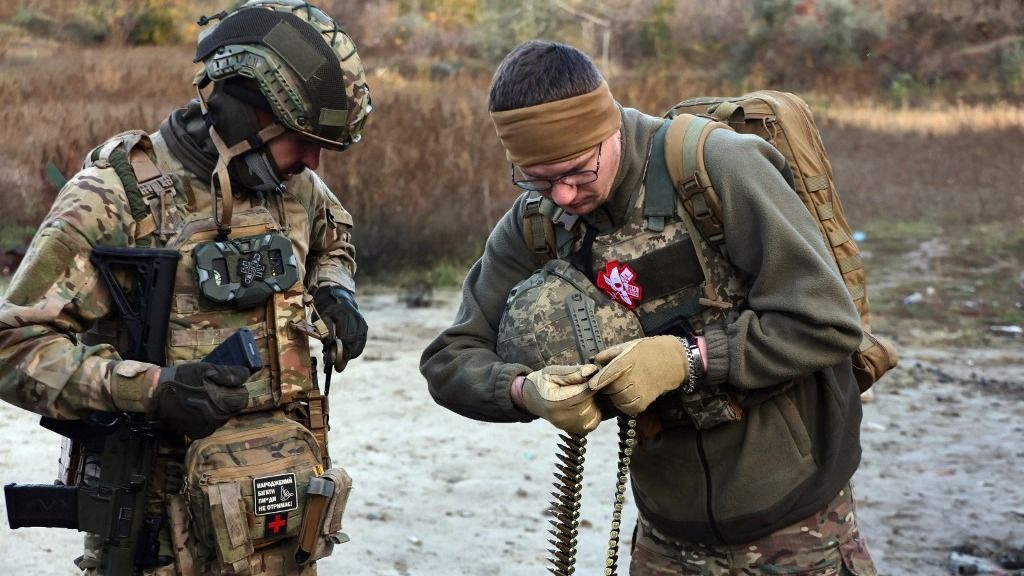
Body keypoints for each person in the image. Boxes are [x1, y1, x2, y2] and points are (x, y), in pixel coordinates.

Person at [420, 40, 877, 575]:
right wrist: (526, 392)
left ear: (608, 127)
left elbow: (826, 322)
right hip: (665, 534)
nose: (562, 196)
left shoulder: (717, 168)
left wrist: (688, 359)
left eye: (577, 172)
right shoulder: (537, 222)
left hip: (798, 525)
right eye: (538, 179)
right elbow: (450, 359)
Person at [0, 1, 370, 574]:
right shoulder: (115, 197)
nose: (314, 160)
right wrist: (152, 389)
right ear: (243, 115)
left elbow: (333, 240)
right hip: (159, 538)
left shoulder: (293, 188)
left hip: (282, 517)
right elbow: (13, 347)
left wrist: (334, 291)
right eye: (301, 139)